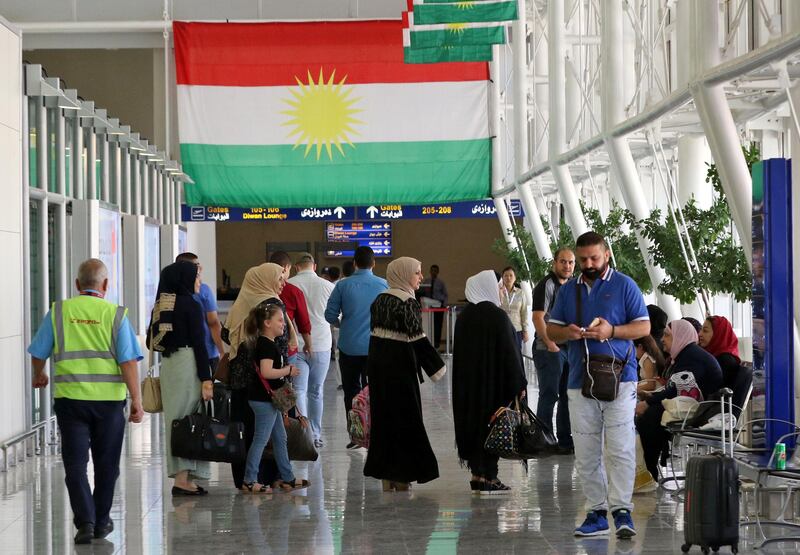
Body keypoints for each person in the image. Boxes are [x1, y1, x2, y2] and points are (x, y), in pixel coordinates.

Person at [28, 259, 144, 544]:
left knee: (75, 465)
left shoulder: (59, 312)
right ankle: (101, 521)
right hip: (109, 404)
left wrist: (39, 374)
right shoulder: (116, 315)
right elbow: (128, 362)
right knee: (107, 466)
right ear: (105, 285)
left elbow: (38, 351)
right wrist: (137, 400)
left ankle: (86, 522)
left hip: (71, 402)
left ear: (78, 285)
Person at [546, 231, 650, 540]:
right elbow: (552, 330)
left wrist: (612, 330)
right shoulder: (569, 291)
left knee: (619, 447)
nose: (588, 264)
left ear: (606, 254)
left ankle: (622, 510)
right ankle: (596, 511)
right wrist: (571, 334)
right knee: (587, 450)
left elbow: (644, 326)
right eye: (583, 260)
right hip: (580, 381)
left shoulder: (624, 285)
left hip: (621, 380)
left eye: (594, 257)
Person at [363, 257, 445, 491]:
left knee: (384, 421)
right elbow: (417, 339)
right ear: (404, 274)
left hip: (378, 369)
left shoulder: (379, 300)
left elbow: (375, 336)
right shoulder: (407, 301)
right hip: (399, 369)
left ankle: (386, 474)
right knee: (407, 420)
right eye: (417, 273)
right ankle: (404, 474)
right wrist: (438, 368)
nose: (421, 277)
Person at [453, 270, 528, 494]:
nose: (501, 289)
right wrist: (519, 383)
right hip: (493, 386)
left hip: (468, 387)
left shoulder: (464, 317)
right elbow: (510, 353)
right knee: (493, 427)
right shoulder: (497, 316)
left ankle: (477, 474)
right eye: (497, 286)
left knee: (474, 426)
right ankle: (490, 476)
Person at [224, 263, 298, 489]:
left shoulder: (241, 300)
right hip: (267, 383)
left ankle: (251, 478)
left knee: (245, 431)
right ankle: (264, 478)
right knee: (264, 436)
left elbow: (227, 335)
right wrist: (286, 374)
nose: (282, 283)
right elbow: (282, 346)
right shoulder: (272, 304)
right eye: (279, 278)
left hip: (240, 380)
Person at [149, 261, 214, 497]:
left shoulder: (162, 305)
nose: (199, 282)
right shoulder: (191, 305)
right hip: (188, 364)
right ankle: (183, 479)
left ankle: (182, 476)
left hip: (169, 365)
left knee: (175, 421)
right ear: (184, 279)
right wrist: (207, 378)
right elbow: (200, 344)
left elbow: (153, 341)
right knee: (190, 419)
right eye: (195, 277)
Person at [635, 320, 722, 481]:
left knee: (649, 416)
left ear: (681, 337)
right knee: (649, 413)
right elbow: (675, 387)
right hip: (693, 404)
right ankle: (648, 467)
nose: (662, 339)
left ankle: (649, 469)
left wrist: (648, 402)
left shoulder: (691, 357)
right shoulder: (684, 355)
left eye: (667, 335)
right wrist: (652, 398)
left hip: (702, 410)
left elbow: (677, 389)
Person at [241, 304, 308, 493]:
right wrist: (288, 370)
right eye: (280, 320)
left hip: (268, 400)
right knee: (261, 439)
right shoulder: (266, 345)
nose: (283, 324)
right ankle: (249, 479)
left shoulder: (266, 343)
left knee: (280, 438)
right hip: (263, 401)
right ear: (267, 323)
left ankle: (287, 477)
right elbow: (266, 371)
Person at [325, 246, 388, 448]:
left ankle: (356, 435)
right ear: (373, 263)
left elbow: (329, 315)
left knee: (352, 391)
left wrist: (343, 323)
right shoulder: (383, 285)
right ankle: (377, 433)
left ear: (354, 263)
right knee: (376, 390)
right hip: (375, 347)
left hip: (349, 346)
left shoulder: (343, 286)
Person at [531, 248, 576, 454]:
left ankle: (565, 442)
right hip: (549, 349)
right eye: (563, 262)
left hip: (569, 348)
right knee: (549, 395)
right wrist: (551, 343)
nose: (567, 266)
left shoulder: (574, 286)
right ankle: (544, 442)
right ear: (554, 263)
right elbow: (538, 317)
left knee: (568, 396)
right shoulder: (546, 285)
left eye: (571, 262)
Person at [289, 253, 335, 448]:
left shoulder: (289, 285)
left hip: (297, 344)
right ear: (314, 266)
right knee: (317, 391)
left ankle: (303, 433)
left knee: (299, 390)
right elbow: (335, 315)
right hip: (322, 345)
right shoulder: (328, 286)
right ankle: (316, 434)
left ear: (297, 267)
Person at [176, 253, 225, 371]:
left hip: (179, 354)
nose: (201, 268)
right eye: (197, 265)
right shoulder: (203, 290)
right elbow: (213, 323)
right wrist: (222, 351)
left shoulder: (170, 290)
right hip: (206, 352)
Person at [269, 251, 313, 369]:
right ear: (286, 267)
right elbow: (303, 322)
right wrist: (308, 344)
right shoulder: (293, 291)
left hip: (261, 348)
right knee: (286, 383)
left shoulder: (257, 289)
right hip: (286, 347)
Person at [698, 316, 741, 386]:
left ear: (719, 333)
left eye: (705, 331)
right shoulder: (709, 354)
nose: (700, 334)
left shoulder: (725, 361)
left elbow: (712, 390)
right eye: (701, 330)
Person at [500, 266, 530, 350]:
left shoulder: (521, 293)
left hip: (517, 329)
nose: (508, 278)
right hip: (502, 329)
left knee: (517, 354)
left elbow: (524, 313)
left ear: (515, 278)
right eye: (506, 275)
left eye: (511, 275)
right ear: (502, 278)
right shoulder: (498, 292)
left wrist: (525, 331)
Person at [420, 264, 448, 349]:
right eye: (432, 270)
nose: (434, 272)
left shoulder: (441, 283)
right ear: (430, 271)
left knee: (438, 325)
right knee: (428, 324)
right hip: (428, 306)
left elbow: (445, 295)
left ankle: (437, 344)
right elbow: (421, 291)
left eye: (435, 271)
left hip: (438, 306)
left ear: (438, 272)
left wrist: (444, 305)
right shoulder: (426, 281)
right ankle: (428, 343)